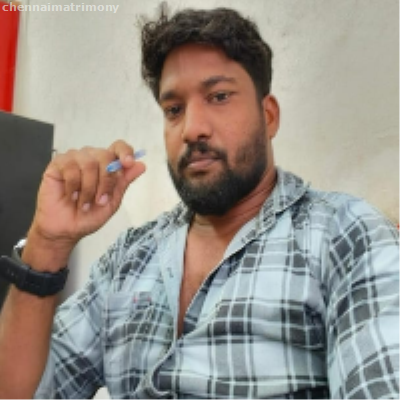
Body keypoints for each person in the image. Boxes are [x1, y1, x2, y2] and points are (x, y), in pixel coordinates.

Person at [0, 5, 399, 400]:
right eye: (174, 110)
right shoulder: (127, 260)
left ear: (269, 116)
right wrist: (48, 244)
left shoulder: (346, 235)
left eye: (219, 96)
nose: (191, 129)